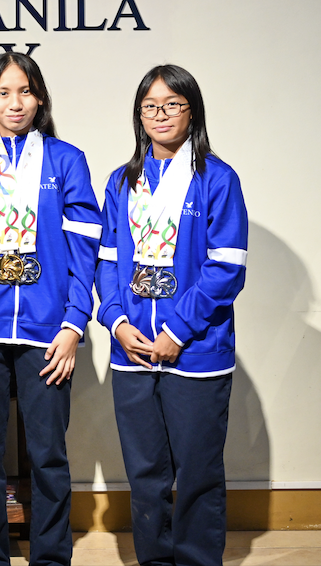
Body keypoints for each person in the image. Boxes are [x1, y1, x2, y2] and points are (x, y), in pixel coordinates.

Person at [0, 51, 101, 566]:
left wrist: (74, 323)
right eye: (3, 92)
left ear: (40, 98)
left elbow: (84, 251)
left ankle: (51, 558)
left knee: (49, 455)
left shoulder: (66, 160)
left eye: (25, 91)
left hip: (48, 333)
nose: (15, 103)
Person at [96, 64, 247, 566]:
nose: (160, 115)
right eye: (150, 106)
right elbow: (107, 263)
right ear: (139, 115)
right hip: (133, 351)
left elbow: (226, 268)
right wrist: (117, 322)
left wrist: (177, 331)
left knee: (198, 474)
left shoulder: (217, 179)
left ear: (192, 111)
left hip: (197, 352)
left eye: (172, 105)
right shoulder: (122, 181)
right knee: (145, 476)